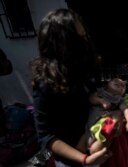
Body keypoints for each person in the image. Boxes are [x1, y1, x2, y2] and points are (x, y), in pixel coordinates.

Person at [32, 8, 112, 167]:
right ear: (64, 44)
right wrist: (85, 160)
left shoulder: (85, 68)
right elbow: (46, 136)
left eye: (85, 36)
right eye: (80, 38)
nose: (86, 42)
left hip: (97, 151)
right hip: (73, 161)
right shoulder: (45, 83)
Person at [77, 78, 128, 155]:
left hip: (103, 127)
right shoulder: (100, 91)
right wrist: (101, 101)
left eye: (123, 85)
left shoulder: (119, 100)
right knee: (80, 147)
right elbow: (91, 98)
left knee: (98, 147)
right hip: (90, 127)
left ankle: (102, 153)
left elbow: (125, 110)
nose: (120, 83)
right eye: (116, 81)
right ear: (107, 83)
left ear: (122, 93)